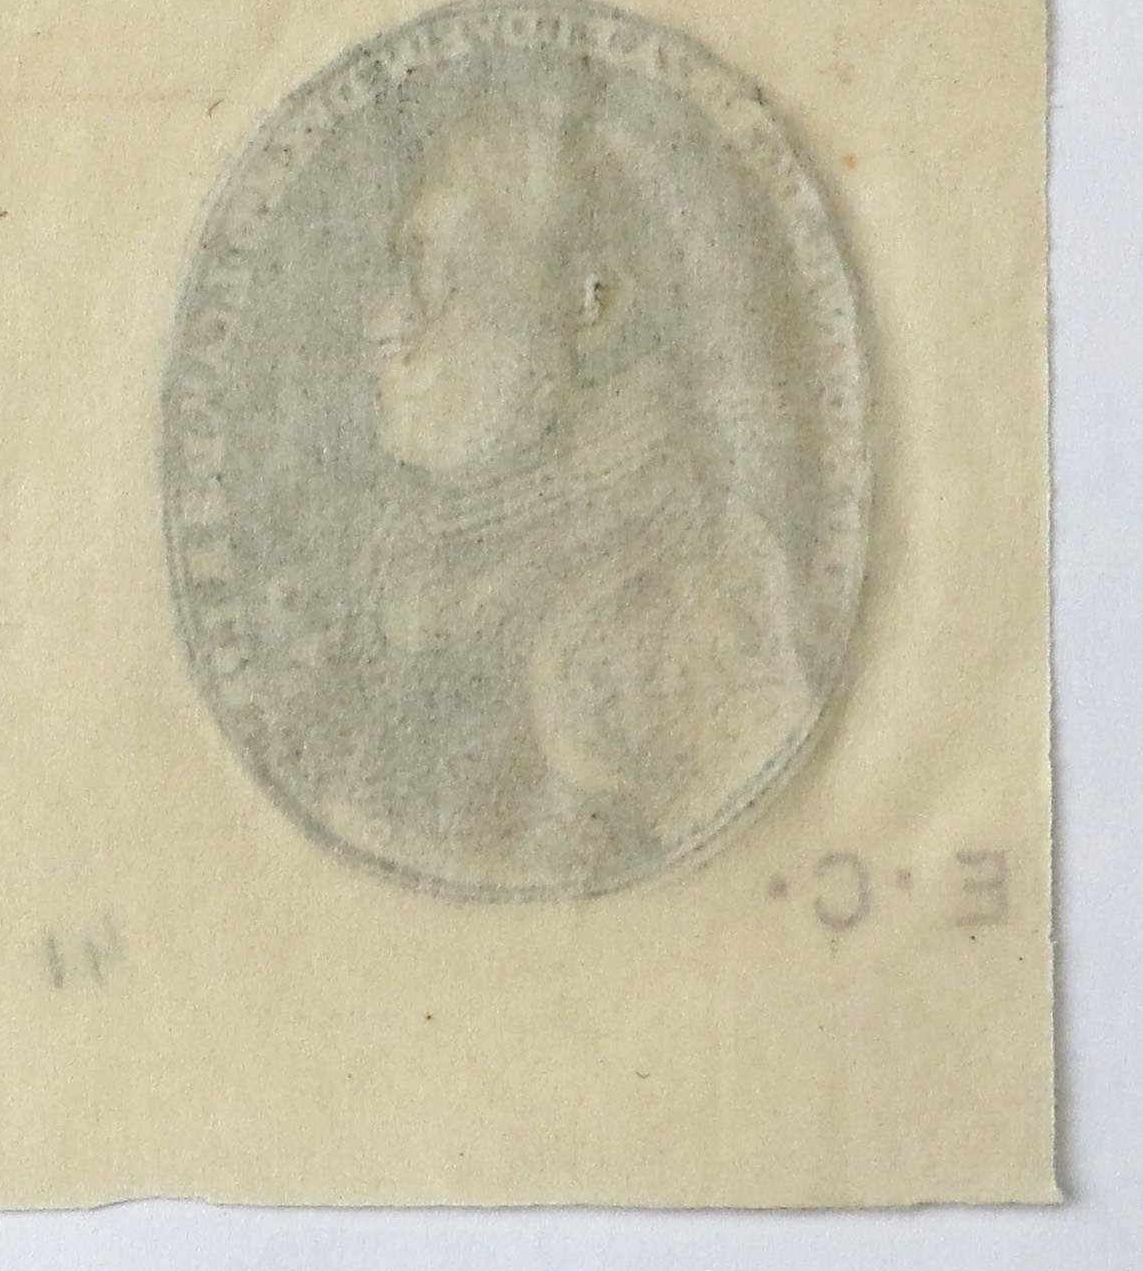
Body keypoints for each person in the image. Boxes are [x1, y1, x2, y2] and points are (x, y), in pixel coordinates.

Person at [348, 83, 814, 884]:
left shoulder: (687, 602)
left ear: (592, 305)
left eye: (436, 270)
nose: (380, 321)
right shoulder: (434, 581)